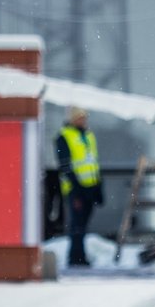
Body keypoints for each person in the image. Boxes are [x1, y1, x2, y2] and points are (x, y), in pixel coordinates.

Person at [55, 107, 103, 266]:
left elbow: (93, 162)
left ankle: (80, 256)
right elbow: (65, 165)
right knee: (77, 225)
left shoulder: (89, 135)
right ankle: (75, 257)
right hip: (75, 188)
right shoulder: (64, 137)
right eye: (80, 118)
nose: (83, 120)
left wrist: (98, 187)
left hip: (90, 186)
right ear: (72, 119)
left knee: (83, 224)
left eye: (84, 117)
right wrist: (76, 187)